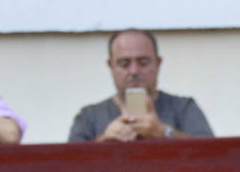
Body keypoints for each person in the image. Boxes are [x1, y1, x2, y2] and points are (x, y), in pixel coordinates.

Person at [68, 29, 214, 142]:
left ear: (158, 63)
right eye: (124, 64)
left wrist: (164, 132)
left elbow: (212, 154)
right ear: (111, 66)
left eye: (143, 62)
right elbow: (68, 164)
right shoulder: (89, 116)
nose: (134, 71)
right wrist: (105, 140)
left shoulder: (184, 108)